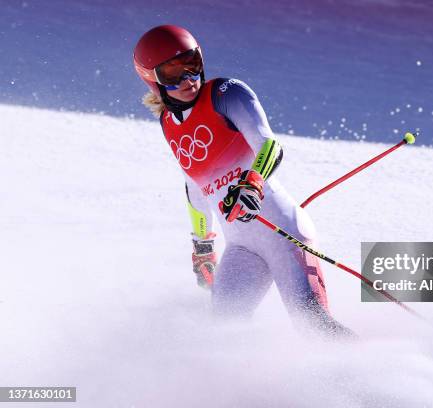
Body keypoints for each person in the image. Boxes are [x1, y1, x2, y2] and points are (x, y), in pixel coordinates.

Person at [133, 25, 352, 337]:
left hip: (284, 233)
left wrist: (252, 184)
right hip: (241, 247)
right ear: (152, 80)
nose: (188, 80)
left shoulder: (226, 94)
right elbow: (195, 186)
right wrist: (203, 246)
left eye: (192, 66)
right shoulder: (168, 125)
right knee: (225, 331)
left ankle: (376, 378)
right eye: (173, 74)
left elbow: (269, 146)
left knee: (312, 324)